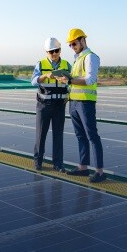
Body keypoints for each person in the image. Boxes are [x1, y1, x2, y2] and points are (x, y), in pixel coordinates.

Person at [56, 28, 106, 183]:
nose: (72, 46)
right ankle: (83, 168)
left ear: (83, 40)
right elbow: (76, 79)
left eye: (74, 43)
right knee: (80, 136)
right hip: (74, 102)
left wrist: (69, 81)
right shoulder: (77, 58)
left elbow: (90, 80)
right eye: (70, 45)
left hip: (85, 103)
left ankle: (99, 172)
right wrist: (67, 81)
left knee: (92, 136)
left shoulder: (90, 57)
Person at [31, 37, 71, 172]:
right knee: (41, 134)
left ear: (60, 50)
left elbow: (72, 81)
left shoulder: (66, 64)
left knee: (58, 135)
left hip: (60, 105)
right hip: (44, 105)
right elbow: (34, 81)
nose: (54, 54)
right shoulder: (41, 65)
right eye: (51, 51)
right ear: (46, 52)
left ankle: (58, 164)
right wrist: (46, 76)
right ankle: (38, 162)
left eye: (57, 51)